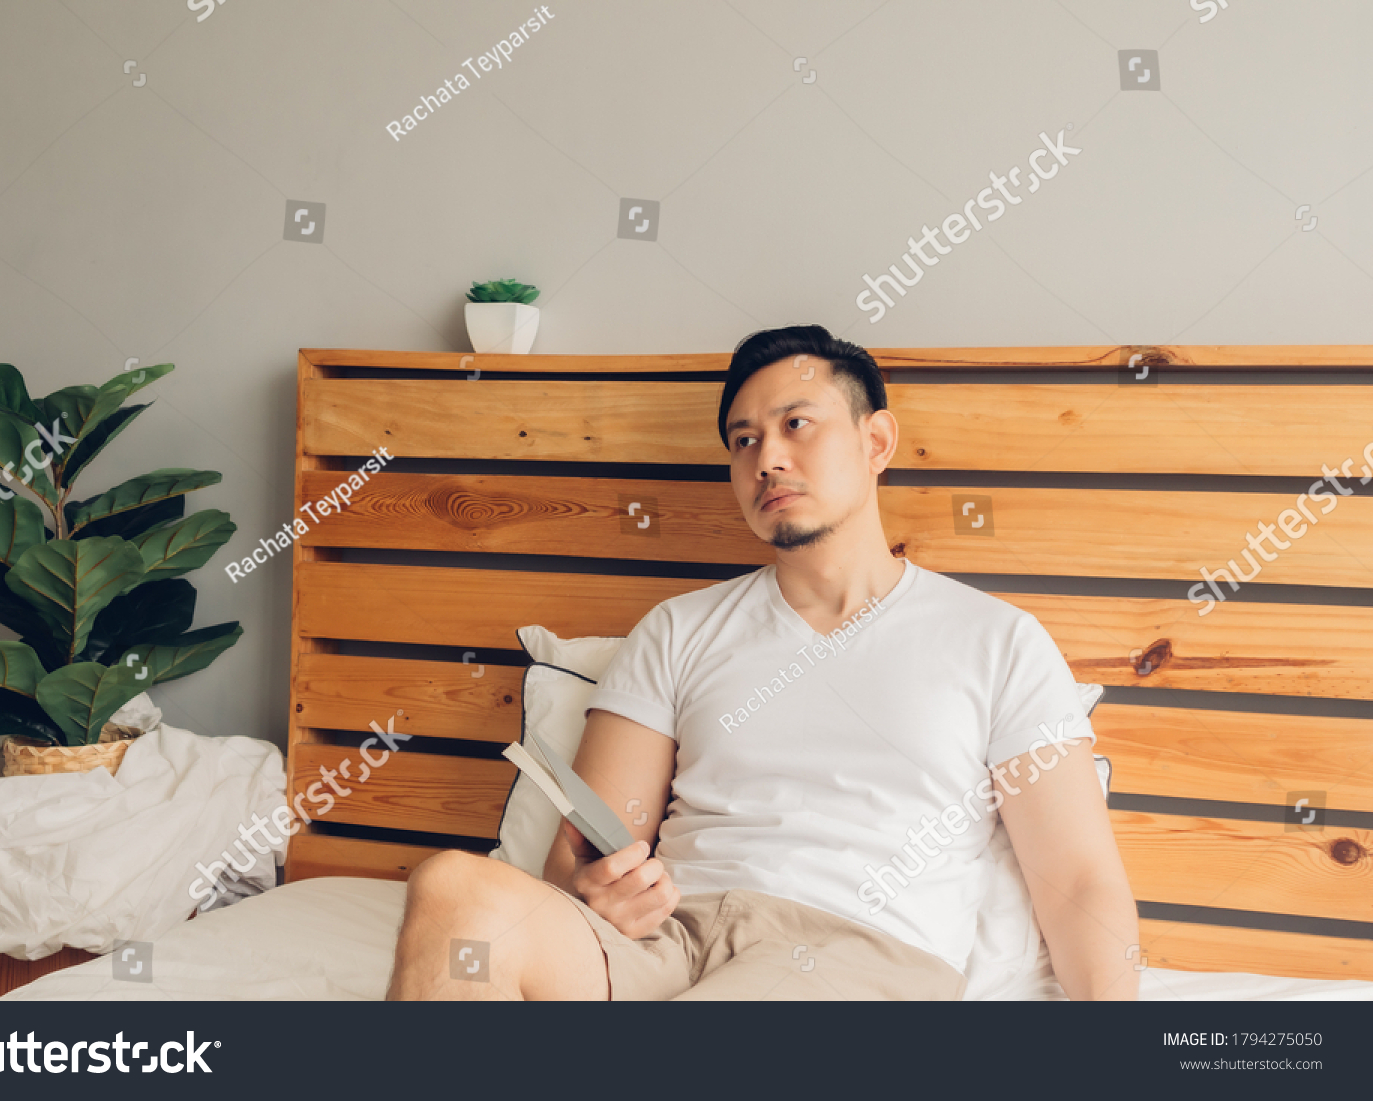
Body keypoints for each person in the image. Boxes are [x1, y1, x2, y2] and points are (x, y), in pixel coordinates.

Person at [385, 324, 1139, 1001]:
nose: (767, 458)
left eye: (796, 425)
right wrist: (595, 889)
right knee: (454, 892)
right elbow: (576, 858)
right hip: (671, 946)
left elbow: (1078, 881)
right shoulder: (676, 630)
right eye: (744, 441)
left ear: (876, 442)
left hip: (856, 958)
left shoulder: (997, 641)